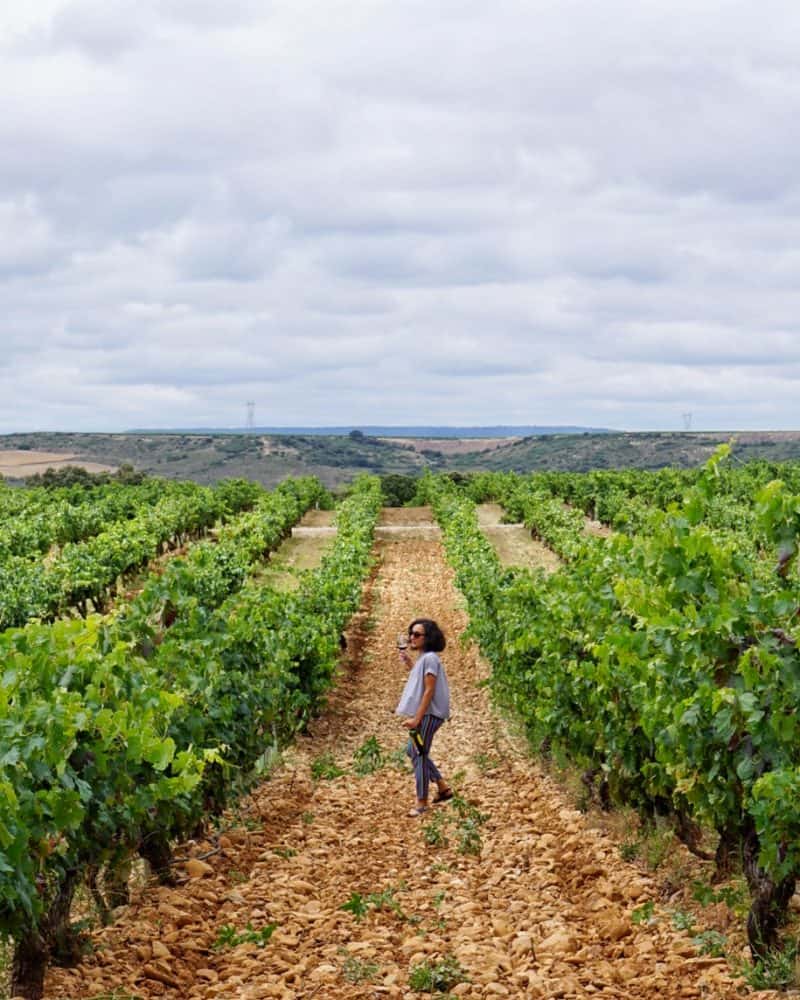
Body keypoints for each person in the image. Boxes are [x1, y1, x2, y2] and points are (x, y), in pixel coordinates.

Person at [395, 618, 452, 817]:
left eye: (417, 634)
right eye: (411, 633)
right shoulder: (424, 659)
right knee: (414, 750)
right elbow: (422, 680)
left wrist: (417, 719)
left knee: (418, 754)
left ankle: (422, 803)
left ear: (428, 638)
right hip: (429, 713)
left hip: (429, 714)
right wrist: (411, 665)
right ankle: (443, 787)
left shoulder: (430, 659)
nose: (412, 637)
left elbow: (429, 690)